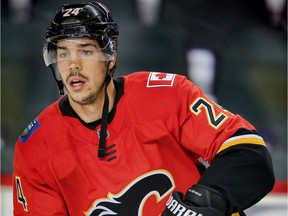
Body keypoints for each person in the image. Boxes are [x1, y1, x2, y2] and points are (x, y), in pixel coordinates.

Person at [12, 1, 275, 216]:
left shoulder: (165, 94)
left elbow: (248, 153)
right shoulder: (36, 147)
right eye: (63, 53)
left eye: (86, 51)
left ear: (111, 56)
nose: (73, 65)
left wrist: (202, 203)